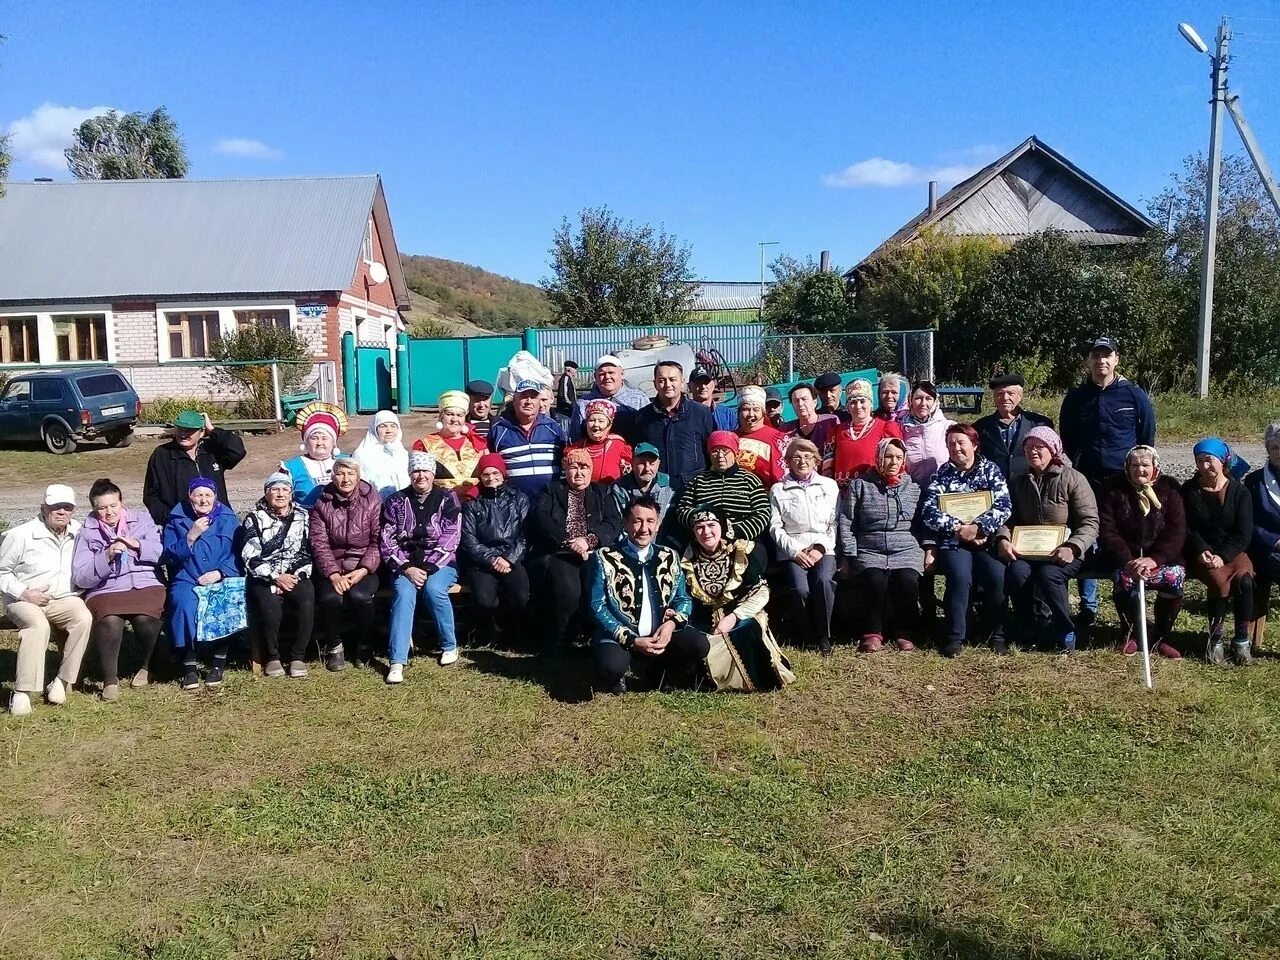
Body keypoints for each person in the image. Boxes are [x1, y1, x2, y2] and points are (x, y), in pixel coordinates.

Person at [1059, 337, 1156, 629]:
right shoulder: (1076, 397)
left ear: (1116, 359)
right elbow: (1067, 437)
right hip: (1086, 479)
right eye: (1096, 355)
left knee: (1122, 537)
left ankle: (1128, 609)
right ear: (1088, 361)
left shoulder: (1133, 395)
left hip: (1122, 482)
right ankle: (1087, 606)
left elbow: (1146, 437)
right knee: (1085, 534)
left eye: (1107, 355)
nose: (1101, 360)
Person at [994, 427, 1098, 654]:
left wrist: (1073, 546)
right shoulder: (1019, 481)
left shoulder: (1073, 479)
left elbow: (1090, 523)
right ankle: (1029, 627)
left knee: (1048, 575)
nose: (1033, 452)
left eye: (1039, 447)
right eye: (1028, 447)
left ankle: (1064, 628)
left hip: (1065, 551)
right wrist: (1003, 539)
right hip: (1028, 550)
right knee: (1017, 572)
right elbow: (1006, 518)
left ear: (1052, 449)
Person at [589, 497, 704, 694]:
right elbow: (597, 605)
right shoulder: (604, 556)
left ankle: (661, 670)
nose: (644, 528)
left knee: (699, 645)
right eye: (637, 521)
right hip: (621, 636)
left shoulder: (669, 556)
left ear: (658, 525)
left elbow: (683, 599)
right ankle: (620, 673)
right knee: (611, 666)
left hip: (659, 633)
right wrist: (631, 639)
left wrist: (671, 624)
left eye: (650, 521)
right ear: (625, 524)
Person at [921, 424, 1013, 658]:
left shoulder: (990, 470)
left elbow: (1003, 505)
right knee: (960, 577)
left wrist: (979, 528)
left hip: (986, 539)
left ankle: (997, 634)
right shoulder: (942, 473)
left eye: (961, 442)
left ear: (974, 444)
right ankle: (955, 637)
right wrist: (959, 529)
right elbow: (930, 510)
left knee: (996, 575)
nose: (956, 448)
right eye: (951, 443)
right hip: (954, 541)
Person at [1, 485, 93, 716]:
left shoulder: (80, 533)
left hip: (63, 598)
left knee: (83, 618)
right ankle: (22, 692)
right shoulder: (19, 535)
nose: (61, 512)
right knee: (38, 626)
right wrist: (24, 593)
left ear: (73, 510)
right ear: (43, 508)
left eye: (67, 507)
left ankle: (62, 681)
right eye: (55, 507)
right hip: (23, 599)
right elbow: (2, 571)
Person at [682, 505, 795, 691]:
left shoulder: (741, 552)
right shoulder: (688, 558)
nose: (706, 532)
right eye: (699, 527)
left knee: (746, 631)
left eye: (712, 525)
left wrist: (733, 617)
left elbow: (761, 592)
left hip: (739, 615)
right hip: (702, 618)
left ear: (723, 527)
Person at [71, 478, 164, 701]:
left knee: (145, 619)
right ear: (94, 508)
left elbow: (162, 553)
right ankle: (110, 679)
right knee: (110, 620)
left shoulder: (142, 520)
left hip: (145, 582)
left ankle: (148, 665)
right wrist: (107, 556)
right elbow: (80, 576)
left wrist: (137, 545)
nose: (109, 512)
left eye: (113, 505)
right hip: (106, 589)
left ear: (122, 502)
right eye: (102, 508)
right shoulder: (86, 533)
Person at [529, 448, 623, 654]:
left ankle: (596, 636)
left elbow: (613, 522)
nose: (578, 473)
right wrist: (569, 541)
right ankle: (561, 640)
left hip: (593, 552)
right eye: (573, 467)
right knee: (568, 591)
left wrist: (589, 541)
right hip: (560, 553)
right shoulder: (551, 490)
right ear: (565, 470)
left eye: (583, 467)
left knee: (596, 587)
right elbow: (541, 518)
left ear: (591, 471)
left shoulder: (602, 492)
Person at [1096, 445, 1186, 660]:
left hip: (1161, 558)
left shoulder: (1170, 489)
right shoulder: (1113, 489)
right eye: (1134, 465)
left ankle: (1161, 636)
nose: (1140, 470)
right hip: (1126, 558)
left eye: (1145, 465)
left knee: (1174, 578)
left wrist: (1155, 559)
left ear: (1155, 467)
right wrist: (1129, 560)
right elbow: (1107, 529)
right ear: (1127, 467)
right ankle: (1133, 633)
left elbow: (1178, 530)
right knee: (1125, 581)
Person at [381, 451, 463, 680]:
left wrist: (427, 568)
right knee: (403, 593)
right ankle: (397, 661)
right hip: (405, 563)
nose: (420, 476)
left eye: (425, 470)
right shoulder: (395, 500)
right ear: (409, 473)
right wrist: (406, 568)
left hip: (442, 562)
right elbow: (386, 540)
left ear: (433, 473)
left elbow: (451, 536)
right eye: (416, 471)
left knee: (434, 589)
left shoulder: (448, 498)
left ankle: (449, 644)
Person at [838, 438, 923, 653]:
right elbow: (847, 520)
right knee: (875, 580)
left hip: (905, 548)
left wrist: (929, 549)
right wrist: (848, 554)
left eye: (898, 457)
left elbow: (923, 524)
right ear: (878, 457)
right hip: (870, 548)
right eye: (888, 456)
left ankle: (905, 631)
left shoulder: (913, 487)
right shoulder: (861, 485)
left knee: (907, 580)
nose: (893, 461)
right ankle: (872, 632)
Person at [161, 477, 242, 691]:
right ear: (190, 497)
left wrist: (220, 572)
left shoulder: (228, 518)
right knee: (183, 605)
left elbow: (238, 552)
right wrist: (191, 535)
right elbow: (168, 556)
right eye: (198, 495)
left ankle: (218, 663)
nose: (203, 499)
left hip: (221, 575)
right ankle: (189, 665)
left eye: (208, 495)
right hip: (187, 577)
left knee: (226, 603)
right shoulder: (176, 519)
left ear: (215, 497)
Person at [1183, 437, 1255, 665]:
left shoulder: (1239, 492)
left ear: (1222, 461)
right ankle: (1215, 640)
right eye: (1199, 461)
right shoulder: (1190, 490)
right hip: (1203, 552)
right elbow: (1187, 527)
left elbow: (1243, 533)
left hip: (1232, 552)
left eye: (1209, 460)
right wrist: (1202, 550)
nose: (1204, 466)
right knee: (1218, 582)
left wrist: (1222, 555)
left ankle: (1242, 640)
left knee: (1244, 581)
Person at [309, 457, 382, 672]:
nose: (345, 479)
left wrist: (362, 570)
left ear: (358, 476)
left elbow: (378, 540)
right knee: (331, 598)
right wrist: (333, 574)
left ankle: (364, 645)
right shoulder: (323, 502)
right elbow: (319, 542)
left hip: (363, 564)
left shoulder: (373, 500)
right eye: (340, 474)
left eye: (350, 474)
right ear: (332, 477)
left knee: (361, 597)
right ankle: (334, 646)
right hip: (333, 565)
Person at [241, 472, 314, 679]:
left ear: (291, 494)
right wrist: (275, 577)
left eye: (284, 490)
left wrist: (294, 576)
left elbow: (307, 551)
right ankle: (272, 656)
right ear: (266, 493)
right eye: (274, 489)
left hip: (295, 573)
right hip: (263, 574)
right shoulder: (254, 518)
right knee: (270, 605)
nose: (280, 494)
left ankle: (297, 656)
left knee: (306, 599)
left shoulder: (302, 516)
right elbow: (250, 556)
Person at [769, 438, 840, 654]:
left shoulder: (829, 486)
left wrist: (820, 548)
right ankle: (806, 633)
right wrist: (794, 551)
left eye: (808, 456)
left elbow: (835, 522)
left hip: (823, 547)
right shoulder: (778, 489)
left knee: (824, 581)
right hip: (793, 549)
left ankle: (824, 635)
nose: (802, 461)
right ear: (788, 461)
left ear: (816, 460)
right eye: (797, 457)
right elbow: (775, 526)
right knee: (800, 588)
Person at [460, 453, 532, 645]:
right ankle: (491, 634)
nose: (491, 478)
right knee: (485, 599)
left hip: (511, 558)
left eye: (495, 473)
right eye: (485, 474)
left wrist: (508, 558)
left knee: (520, 595)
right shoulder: (472, 503)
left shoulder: (519, 499)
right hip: (482, 561)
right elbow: (468, 540)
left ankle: (514, 634)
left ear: (503, 473)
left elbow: (525, 534)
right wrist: (492, 559)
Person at [143, 410, 246, 525]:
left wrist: (212, 430)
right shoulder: (163, 454)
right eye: (180, 429)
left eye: (189, 430)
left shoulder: (211, 450)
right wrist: (171, 519)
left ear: (201, 432)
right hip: (181, 525)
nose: (183, 434)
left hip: (218, 522)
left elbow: (237, 450)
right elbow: (151, 495)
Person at [675, 432, 773, 549]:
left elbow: (763, 512)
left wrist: (734, 531)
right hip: (705, 541)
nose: (720, 456)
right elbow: (682, 509)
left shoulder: (749, 479)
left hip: (743, 541)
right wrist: (703, 524)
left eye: (725, 451)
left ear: (735, 453)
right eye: (715, 451)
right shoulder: (699, 480)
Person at [633, 361, 715, 488]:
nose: (668, 385)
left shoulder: (701, 413)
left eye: (672, 379)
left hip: (693, 488)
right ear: (654, 383)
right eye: (662, 380)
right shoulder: (642, 417)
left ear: (682, 382)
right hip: (657, 489)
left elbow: (710, 450)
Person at [488, 379, 567, 500]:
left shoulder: (553, 427)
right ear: (514, 401)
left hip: (549, 504)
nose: (529, 402)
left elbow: (564, 463)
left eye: (533, 397)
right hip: (513, 505)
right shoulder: (498, 430)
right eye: (524, 397)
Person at [974, 373, 1053, 483]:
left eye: (1010, 393)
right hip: (995, 488)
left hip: (1030, 487)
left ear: (1020, 396)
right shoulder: (980, 427)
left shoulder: (1040, 424)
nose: (1005, 398)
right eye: (1000, 394)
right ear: (994, 398)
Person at [1244, 421, 1280, 651]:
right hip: (1268, 550)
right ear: (1267, 448)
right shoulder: (1254, 481)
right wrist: (1275, 541)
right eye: (1276, 447)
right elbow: (1250, 524)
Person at [414, 390, 487, 496]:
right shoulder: (424, 444)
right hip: (441, 503)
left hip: (475, 503)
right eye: (450, 414)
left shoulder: (477, 443)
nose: (455, 419)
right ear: (441, 417)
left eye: (459, 415)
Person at [831, 379, 903, 485]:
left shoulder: (885, 428)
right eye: (853, 402)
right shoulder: (837, 431)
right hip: (843, 496)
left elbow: (898, 462)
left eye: (862, 401)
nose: (858, 406)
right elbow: (828, 468)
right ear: (847, 406)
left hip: (874, 494)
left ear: (871, 404)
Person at [280, 403, 348, 508]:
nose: (319, 443)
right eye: (314, 438)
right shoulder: (291, 467)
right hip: (306, 521)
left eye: (325, 438)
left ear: (333, 442)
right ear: (306, 441)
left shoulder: (348, 462)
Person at [568, 355, 650, 440]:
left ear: (622, 374)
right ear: (595, 377)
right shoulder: (583, 403)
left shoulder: (639, 399)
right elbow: (574, 437)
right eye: (602, 374)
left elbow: (649, 434)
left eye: (611, 372)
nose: (607, 377)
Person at [611, 443, 676, 534]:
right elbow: (618, 524)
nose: (647, 468)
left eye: (652, 463)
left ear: (658, 464)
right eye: (641, 463)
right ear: (632, 463)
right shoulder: (619, 488)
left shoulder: (671, 487)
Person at [899, 380, 954, 485]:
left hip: (942, 490)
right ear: (910, 401)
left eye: (928, 398)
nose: (923, 403)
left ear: (935, 401)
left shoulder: (949, 427)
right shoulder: (900, 427)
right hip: (911, 493)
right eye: (918, 398)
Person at [569, 398, 633, 483]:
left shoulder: (619, 445)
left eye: (601, 421)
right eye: (591, 420)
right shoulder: (576, 448)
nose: (596, 424)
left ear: (609, 425)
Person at [736, 386, 787, 488]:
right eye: (746, 409)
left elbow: (781, 477)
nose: (751, 414)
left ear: (763, 413)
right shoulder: (731, 438)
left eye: (756, 410)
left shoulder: (777, 438)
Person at [352, 410, 410, 499]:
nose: (389, 430)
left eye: (393, 426)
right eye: (383, 426)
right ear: (375, 429)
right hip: (374, 506)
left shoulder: (402, 453)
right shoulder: (362, 454)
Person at [782, 384, 838, 473]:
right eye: (796, 401)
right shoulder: (785, 430)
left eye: (804, 399)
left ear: (815, 402)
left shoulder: (830, 421)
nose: (800, 404)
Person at [689, 366, 738, 431]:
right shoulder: (683, 416)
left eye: (706, 382)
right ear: (690, 386)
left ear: (713, 385)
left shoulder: (729, 415)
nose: (703, 386)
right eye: (698, 382)